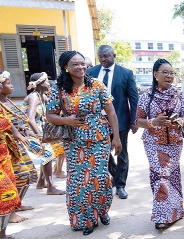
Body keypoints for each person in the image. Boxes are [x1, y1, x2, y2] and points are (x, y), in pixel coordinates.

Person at [46, 51, 122, 235]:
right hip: (74, 141)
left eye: (82, 63)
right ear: (66, 67)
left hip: (99, 138)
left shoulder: (96, 85)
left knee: (100, 178)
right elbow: (50, 115)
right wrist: (67, 120)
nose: (80, 67)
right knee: (79, 182)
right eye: (75, 64)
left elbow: (111, 112)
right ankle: (85, 219)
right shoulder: (59, 88)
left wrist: (116, 137)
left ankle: (102, 211)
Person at [135, 59, 184, 230]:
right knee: (160, 176)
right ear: (155, 74)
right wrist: (154, 122)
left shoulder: (179, 95)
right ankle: (162, 216)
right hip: (153, 143)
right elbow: (138, 121)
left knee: (172, 176)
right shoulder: (146, 96)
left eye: (172, 73)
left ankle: (175, 212)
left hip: (174, 143)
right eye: (165, 72)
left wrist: (179, 122)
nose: (169, 76)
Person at [87, 45, 138, 199]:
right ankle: (115, 175)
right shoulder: (91, 73)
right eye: (101, 56)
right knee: (102, 151)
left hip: (120, 119)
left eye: (107, 56)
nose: (104, 59)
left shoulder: (126, 73)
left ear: (114, 55)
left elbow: (133, 98)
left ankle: (120, 185)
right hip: (97, 121)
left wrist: (133, 120)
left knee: (121, 152)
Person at [0, 71, 38, 223]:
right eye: (8, 83)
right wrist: (18, 134)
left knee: (25, 176)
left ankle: (16, 205)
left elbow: (18, 123)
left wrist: (28, 133)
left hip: (15, 146)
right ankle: (11, 212)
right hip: (6, 147)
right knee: (16, 178)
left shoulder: (9, 102)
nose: (12, 86)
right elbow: (7, 125)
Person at [23, 72, 66, 195]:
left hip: (37, 131)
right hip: (27, 132)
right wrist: (40, 135)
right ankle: (51, 187)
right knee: (48, 153)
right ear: (40, 84)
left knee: (46, 153)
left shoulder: (42, 96)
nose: (49, 83)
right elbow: (29, 119)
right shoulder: (34, 97)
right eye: (47, 81)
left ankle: (41, 182)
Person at [0, 71, 24, 238]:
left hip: (4, 157)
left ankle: (2, 233)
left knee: (7, 195)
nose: (10, 85)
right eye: (6, 82)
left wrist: (20, 135)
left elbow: (7, 125)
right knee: (5, 194)